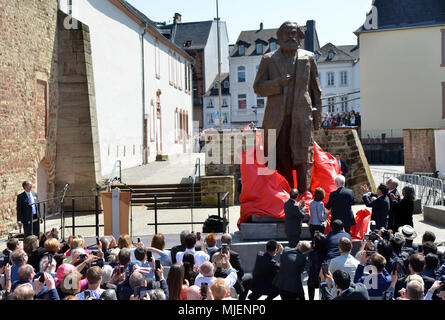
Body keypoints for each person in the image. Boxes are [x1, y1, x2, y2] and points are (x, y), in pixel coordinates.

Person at [253, 21, 322, 193]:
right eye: (287, 33)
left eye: (294, 33)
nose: (291, 36)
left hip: (302, 116)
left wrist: (317, 119)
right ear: (279, 37)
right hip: (276, 118)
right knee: (277, 158)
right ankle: (283, 196)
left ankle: (305, 196)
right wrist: (278, 83)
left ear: (299, 37)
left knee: (304, 156)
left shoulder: (308, 57)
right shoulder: (268, 59)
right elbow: (258, 87)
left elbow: (315, 89)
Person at [307, 231, 328, 300]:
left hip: (312, 278)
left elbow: (308, 266)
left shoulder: (311, 253)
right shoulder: (327, 253)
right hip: (323, 278)